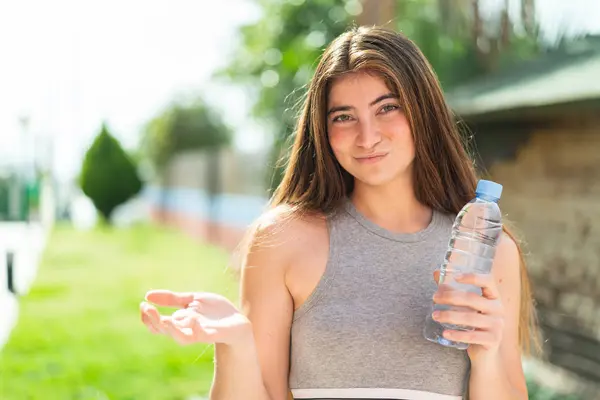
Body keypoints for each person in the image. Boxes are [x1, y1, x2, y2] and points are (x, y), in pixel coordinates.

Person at [140, 26, 540, 400]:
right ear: (323, 131)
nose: (367, 136)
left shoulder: (491, 251)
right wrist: (234, 344)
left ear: (424, 112)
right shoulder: (283, 240)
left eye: (388, 108)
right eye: (344, 117)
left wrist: (484, 356)